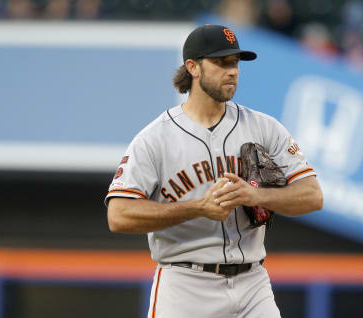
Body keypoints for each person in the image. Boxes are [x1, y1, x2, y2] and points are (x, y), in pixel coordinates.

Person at [105, 24, 323, 318]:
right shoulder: (155, 138)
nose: (232, 71)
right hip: (185, 284)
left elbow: (312, 196)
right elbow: (118, 216)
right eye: (221, 62)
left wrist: (256, 195)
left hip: (252, 282)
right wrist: (199, 207)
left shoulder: (264, 127)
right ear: (193, 68)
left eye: (235, 62)